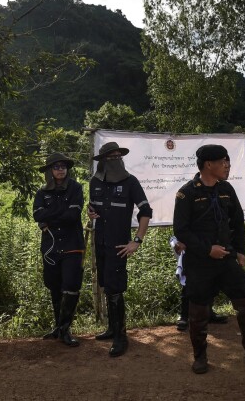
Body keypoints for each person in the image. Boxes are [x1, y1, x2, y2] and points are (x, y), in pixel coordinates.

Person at [173, 145, 245, 374]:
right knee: (199, 313)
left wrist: (240, 251)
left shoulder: (226, 189)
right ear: (208, 164)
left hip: (226, 260)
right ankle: (200, 357)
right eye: (223, 161)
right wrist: (206, 249)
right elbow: (181, 230)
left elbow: (237, 221)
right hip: (200, 263)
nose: (226, 165)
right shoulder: (187, 193)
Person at [87, 142, 152, 357]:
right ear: (103, 161)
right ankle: (112, 328)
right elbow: (93, 207)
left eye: (118, 156)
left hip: (119, 245)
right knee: (106, 285)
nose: (115, 159)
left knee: (116, 287)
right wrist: (91, 212)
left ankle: (120, 336)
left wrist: (137, 241)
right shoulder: (94, 183)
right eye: (111, 156)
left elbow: (145, 211)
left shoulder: (130, 182)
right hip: (101, 242)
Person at [33, 153, 85, 347]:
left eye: (63, 166)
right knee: (54, 286)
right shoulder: (41, 192)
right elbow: (37, 215)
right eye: (56, 167)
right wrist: (53, 215)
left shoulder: (76, 188)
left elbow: (73, 215)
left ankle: (65, 329)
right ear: (50, 170)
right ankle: (58, 327)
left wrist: (49, 216)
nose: (60, 170)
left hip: (72, 245)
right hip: (51, 246)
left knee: (71, 287)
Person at [170, 236, 228, 331]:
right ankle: (184, 316)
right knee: (188, 280)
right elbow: (181, 229)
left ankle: (209, 313)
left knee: (210, 277)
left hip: (207, 242)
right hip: (186, 243)